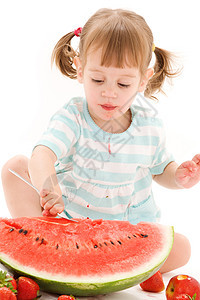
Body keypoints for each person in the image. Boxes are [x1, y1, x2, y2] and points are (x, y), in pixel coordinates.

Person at [1, 8, 200, 273]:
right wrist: (50, 188)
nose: (109, 92)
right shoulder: (73, 117)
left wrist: (179, 176)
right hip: (68, 224)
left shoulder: (150, 126)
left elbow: (161, 168)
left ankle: (104, 267)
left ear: (143, 79)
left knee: (182, 249)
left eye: (123, 84)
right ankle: (45, 250)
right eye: (98, 79)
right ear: (80, 69)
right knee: (15, 166)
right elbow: (43, 154)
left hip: (127, 232)